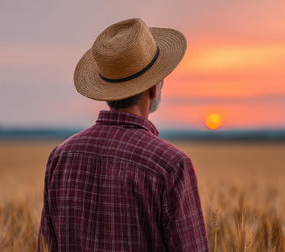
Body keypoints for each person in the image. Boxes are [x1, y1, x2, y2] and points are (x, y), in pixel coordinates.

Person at [38, 18, 209, 251]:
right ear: (153, 87)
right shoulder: (171, 165)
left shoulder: (61, 157)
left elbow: (48, 246)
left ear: (106, 89)